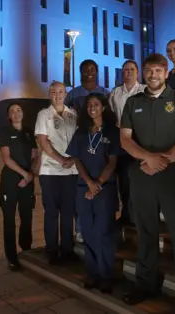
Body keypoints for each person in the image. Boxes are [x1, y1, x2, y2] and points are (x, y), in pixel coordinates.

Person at [120, 53, 175, 313]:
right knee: (146, 235)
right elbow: (125, 139)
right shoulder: (132, 102)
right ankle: (146, 285)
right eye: (149, 70)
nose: (154, 75)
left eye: (159, 70)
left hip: (173, 177)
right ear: (143, 73)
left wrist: (163, 161)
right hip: (143, 175)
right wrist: (148, 158)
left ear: (166, 73)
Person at [66, 94, 120, 293]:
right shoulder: (81, 133)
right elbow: (77, 159)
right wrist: (89, 183)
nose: (92, 107)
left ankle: (106, 275)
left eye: (96, 104)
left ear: (104, 107)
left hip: (105, 190)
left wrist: (97, 184)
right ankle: (92, 273)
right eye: (89, 104)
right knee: (87, 232)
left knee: (104, 233)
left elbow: (113, 162)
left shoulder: (113, 132)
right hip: (83, 189)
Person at [64, 59, 110, 241]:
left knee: (101, 184)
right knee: (81, 188)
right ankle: (81, 229)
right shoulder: (73, 95)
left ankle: (102, 227)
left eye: (93, 69)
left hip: (101, 143)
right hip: (80, 142)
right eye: (86, 69)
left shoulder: (105, 93)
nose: (89, 72)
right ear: (80, 71)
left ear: (97, 71)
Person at [35, 81, 80, 265]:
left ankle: (68, 249)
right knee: (52, 213)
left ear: (66, 93)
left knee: (68, 213)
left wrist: (73, 160)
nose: (57, 94)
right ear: (49, 94)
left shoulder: (74, 114)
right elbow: (43, 142)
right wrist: (61, 159)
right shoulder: (43, 115)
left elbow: (79, 139)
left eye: (60, 91)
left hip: (71, 171)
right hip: (51, 171)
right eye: (54, 92)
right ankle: (52, 250)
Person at [0, 103, 39, 270]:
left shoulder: (28, 132)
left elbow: (36, 156)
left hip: (27, 181)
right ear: (9, 116)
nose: (16, 113)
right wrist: (24, 174)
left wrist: (30, 175)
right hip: (10, 180)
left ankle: (26, 248)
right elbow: (6, 158)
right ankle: (12, 256)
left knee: (27, 216)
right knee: (9, 220)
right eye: (12, 111)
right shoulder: (6, 132)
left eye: (19, 110)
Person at [108, 60, 145, 225]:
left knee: (141, 179)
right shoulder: (116, 93)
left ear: (137, 72)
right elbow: (111, 116)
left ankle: (141, 214)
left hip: (141, 140)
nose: (128, 72)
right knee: (123, 180)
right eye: (125, 70)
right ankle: (126, 214)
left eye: (131, 69)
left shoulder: (144, 90)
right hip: (122, 140)